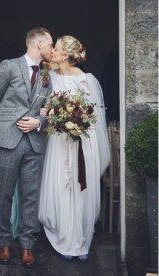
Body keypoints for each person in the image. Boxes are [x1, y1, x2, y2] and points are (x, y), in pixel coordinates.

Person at [0, 27, 53, 268]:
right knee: (4, 193)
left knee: (30, 196)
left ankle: (27, 247)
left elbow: (51, 107)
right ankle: (3, 243)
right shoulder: (9, 66)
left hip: (35, 141)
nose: (52, 49)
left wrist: (39, 122)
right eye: (50, 44)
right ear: (38, 44)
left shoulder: (47, 73)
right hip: (6, 140)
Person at [37, 35, 109, 261]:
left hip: (82, 142)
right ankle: (65, 239)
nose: (52, 53)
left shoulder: (86, 79)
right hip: (58, 142)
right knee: (61, 187)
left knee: (80, 191)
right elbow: (44, 105)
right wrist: (47, 113)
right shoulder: (48, 77)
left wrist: (77, 121)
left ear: (66, 55)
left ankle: (80, 240)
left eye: (56, 50)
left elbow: (93, 115)